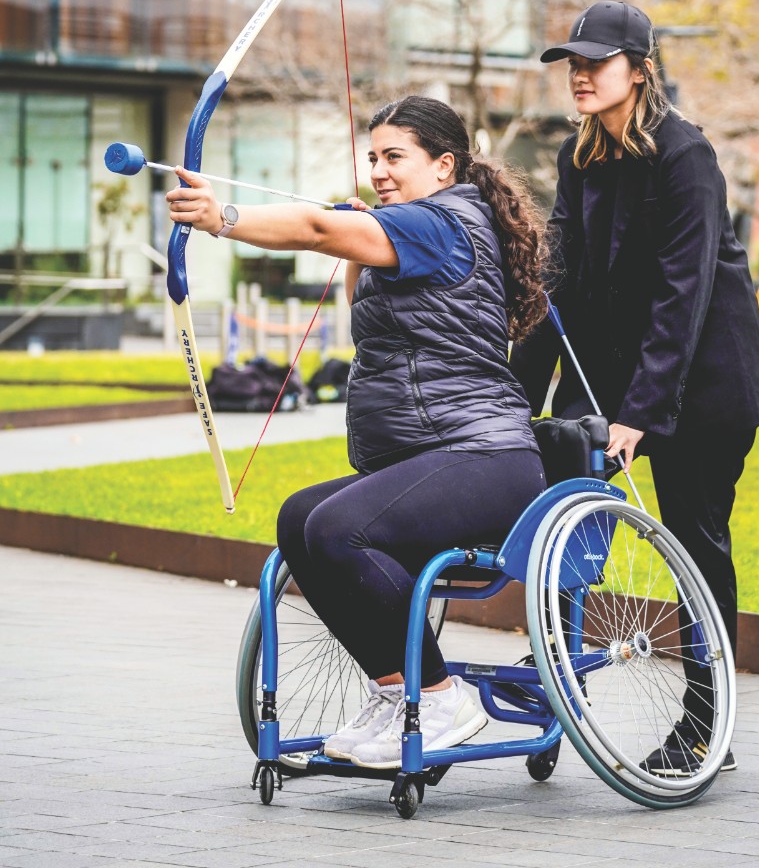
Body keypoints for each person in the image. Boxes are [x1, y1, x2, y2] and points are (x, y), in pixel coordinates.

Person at [166, 95, 548, 769]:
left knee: (340, 529)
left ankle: (441, 696)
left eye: (394, 157)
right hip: (436, 458)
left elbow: (314, 228)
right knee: (300, 518)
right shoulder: (418, 228)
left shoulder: (446, 221)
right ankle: (395, 687)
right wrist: (358, 243)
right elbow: (368, 299)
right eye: (372, 157)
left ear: (443, 165)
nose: (378, 170)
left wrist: (223, 217)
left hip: (485, 457)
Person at [510, 0, 759, 778]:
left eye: (595, 61)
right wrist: (517, 393)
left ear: (639, 69)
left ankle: (704, 725)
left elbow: (681, 292)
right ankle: (555, 706)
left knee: (694, 544)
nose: (579, 74)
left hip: (703, 384)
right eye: (572, 62)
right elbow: (558, 280)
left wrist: (641, 415)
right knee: (563, 526)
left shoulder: (683, 155)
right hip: (616, 375)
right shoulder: (578, 155)